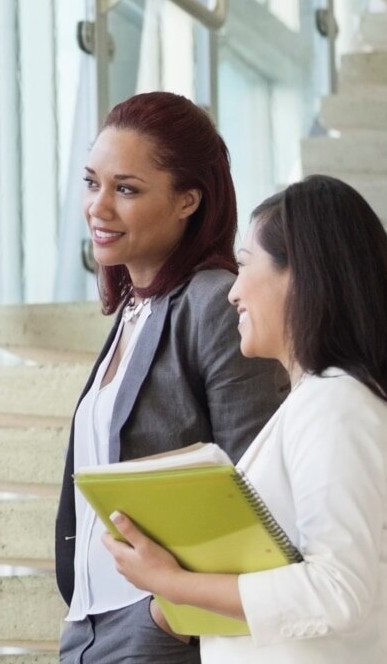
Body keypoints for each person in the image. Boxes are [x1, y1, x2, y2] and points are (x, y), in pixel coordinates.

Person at [104, 174, 387, 662]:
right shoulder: (350, 402)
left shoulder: (333, 405)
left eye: (245, 266)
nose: (233, 292)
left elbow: (336, 591)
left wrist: (174, 583)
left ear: (302, 276)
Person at [58, 92, 291, 663]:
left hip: (159, 628)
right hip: (90, 626)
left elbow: (260, 490)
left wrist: (169, 619)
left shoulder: (214, 304)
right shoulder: (137, 311)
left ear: (189, 200)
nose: (98, 207)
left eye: (127, 189)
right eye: (92, 183)